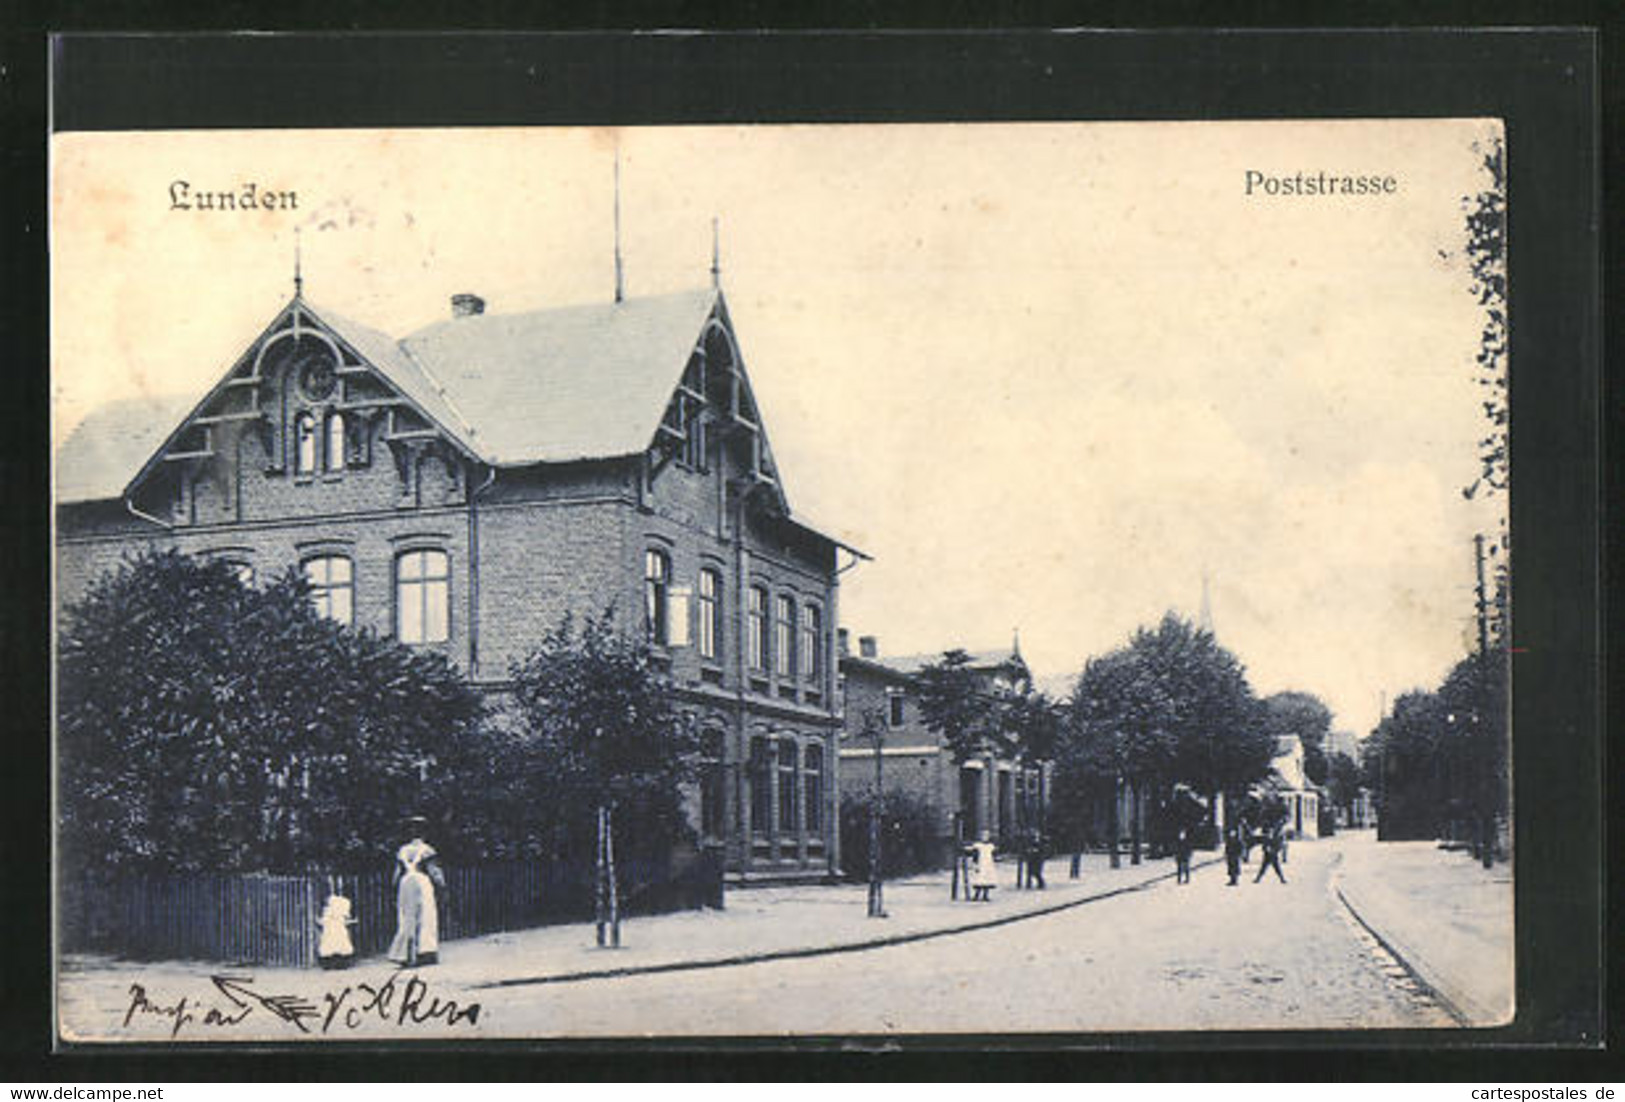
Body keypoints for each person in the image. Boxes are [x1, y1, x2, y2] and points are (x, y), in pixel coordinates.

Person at [388, 819, 444, 967]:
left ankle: (406, 954)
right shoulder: (428, 850)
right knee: (426, 916)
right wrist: (441, 885)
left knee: (407, 917)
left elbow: (396, 875)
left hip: (405, 882)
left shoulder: (402, 851)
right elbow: (434, 872)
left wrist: (394, 889)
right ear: (425, 832)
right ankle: (425, 952)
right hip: (421, 882)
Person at [316, 893, 355, 970]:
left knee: (329, 947)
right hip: (337, 931)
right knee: (340, 947)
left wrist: (318, 920)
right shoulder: (340, 913)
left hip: (330, 932)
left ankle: (330, 965)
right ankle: (341, 964)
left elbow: (323, 921)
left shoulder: (328, 913)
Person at [968, 832, 997, 902]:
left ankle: (985, 895)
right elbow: (974, 856)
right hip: (980, 864)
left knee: (987, 879)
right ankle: (976, 895)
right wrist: (975, 864)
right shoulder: (978, 846)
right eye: (983, 836)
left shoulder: (990, 846)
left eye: (986, 836)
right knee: (979, 879)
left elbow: (994, 855)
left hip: (988, 865)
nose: (984, 838)